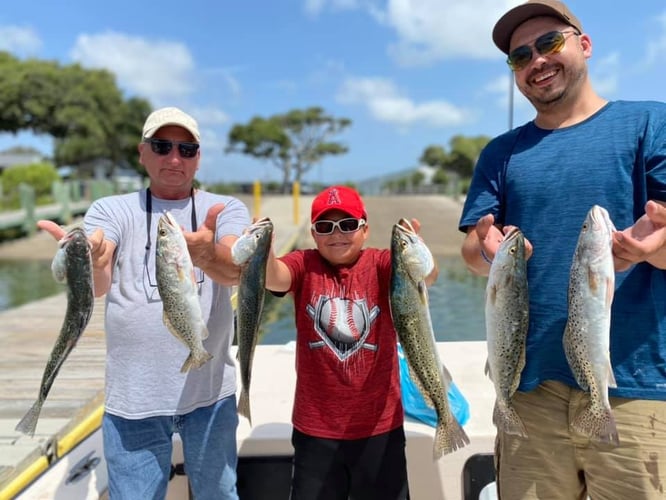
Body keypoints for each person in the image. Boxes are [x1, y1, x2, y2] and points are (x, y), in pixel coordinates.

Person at [459, 1, 666, 498]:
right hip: (528, 390)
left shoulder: (649, 124)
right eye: (519, 55)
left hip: (635, 387)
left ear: (584, 44)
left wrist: (649, 248)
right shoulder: (501, 152)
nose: (536, 60)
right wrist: (488, 250)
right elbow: (471, 247)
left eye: (549, 42)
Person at [39, 107, 249, 499]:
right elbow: (100, 281)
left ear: (199, 157)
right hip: (133, 399)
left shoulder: (225, 209)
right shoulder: (112, 209)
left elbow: (236, 271)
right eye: (162, 146)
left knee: (220, 494)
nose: (174, 157)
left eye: (186, 149)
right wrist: (93, 261)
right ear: (142, 152)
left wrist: (206, 255)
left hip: (210, 394)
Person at [264, 185, 438, 500]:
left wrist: (418, 257)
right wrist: (262, 254)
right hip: (315, 429)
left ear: (365, 229)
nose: (337, 234)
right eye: (325, 226)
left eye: (347, 225)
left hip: (380, 427)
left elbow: (427, 278)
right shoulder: (304, 264)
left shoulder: (383, 263)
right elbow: (275, 277)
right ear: (314, 234)